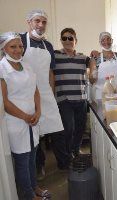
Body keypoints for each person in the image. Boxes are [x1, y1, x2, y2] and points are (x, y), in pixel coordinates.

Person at [0, 32, 50, 200]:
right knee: (22, 160)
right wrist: (24, 116)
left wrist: (38, 112)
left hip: (32, 119)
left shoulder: (26, 65)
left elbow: (35, 90)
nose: (18, 50)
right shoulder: (2, 69)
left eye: (20, 46)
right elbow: (4, 102)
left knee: (32, 156)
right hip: (15, 122)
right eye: (13, 46)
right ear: (4, 48)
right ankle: (28, 194)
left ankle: (34, 186)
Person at [20, 9, 65, 178]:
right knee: (35, 133)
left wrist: (51, 93)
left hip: (46, 93)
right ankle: (39, 166)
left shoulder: (48, 45)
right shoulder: (21, 40)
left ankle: (64, 162)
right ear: (29, 22)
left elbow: (50, 72)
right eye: (37, 21)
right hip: (27, 95)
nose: (40, 25)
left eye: (44, 22)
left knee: (58, 130)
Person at [54, 28, 90, 157]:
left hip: (81, 99)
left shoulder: (83, 58)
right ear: (61, 40)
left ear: (75, 40)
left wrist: (94, 57)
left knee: (80, 128)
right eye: (64, 38)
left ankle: (76, 150)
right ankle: (68, 154)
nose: (67, 41)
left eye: (70, 38)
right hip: (64, 100)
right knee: (68, 129)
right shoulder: (55, 56)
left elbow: (93, 62)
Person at [89, 32, 117, 100]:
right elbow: (91, 81)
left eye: (108, 39)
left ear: (112, 41)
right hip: (101, 95)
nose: (106, 42)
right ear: (100, 42)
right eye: (103, 40)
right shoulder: (95, 58)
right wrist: (93, 76)